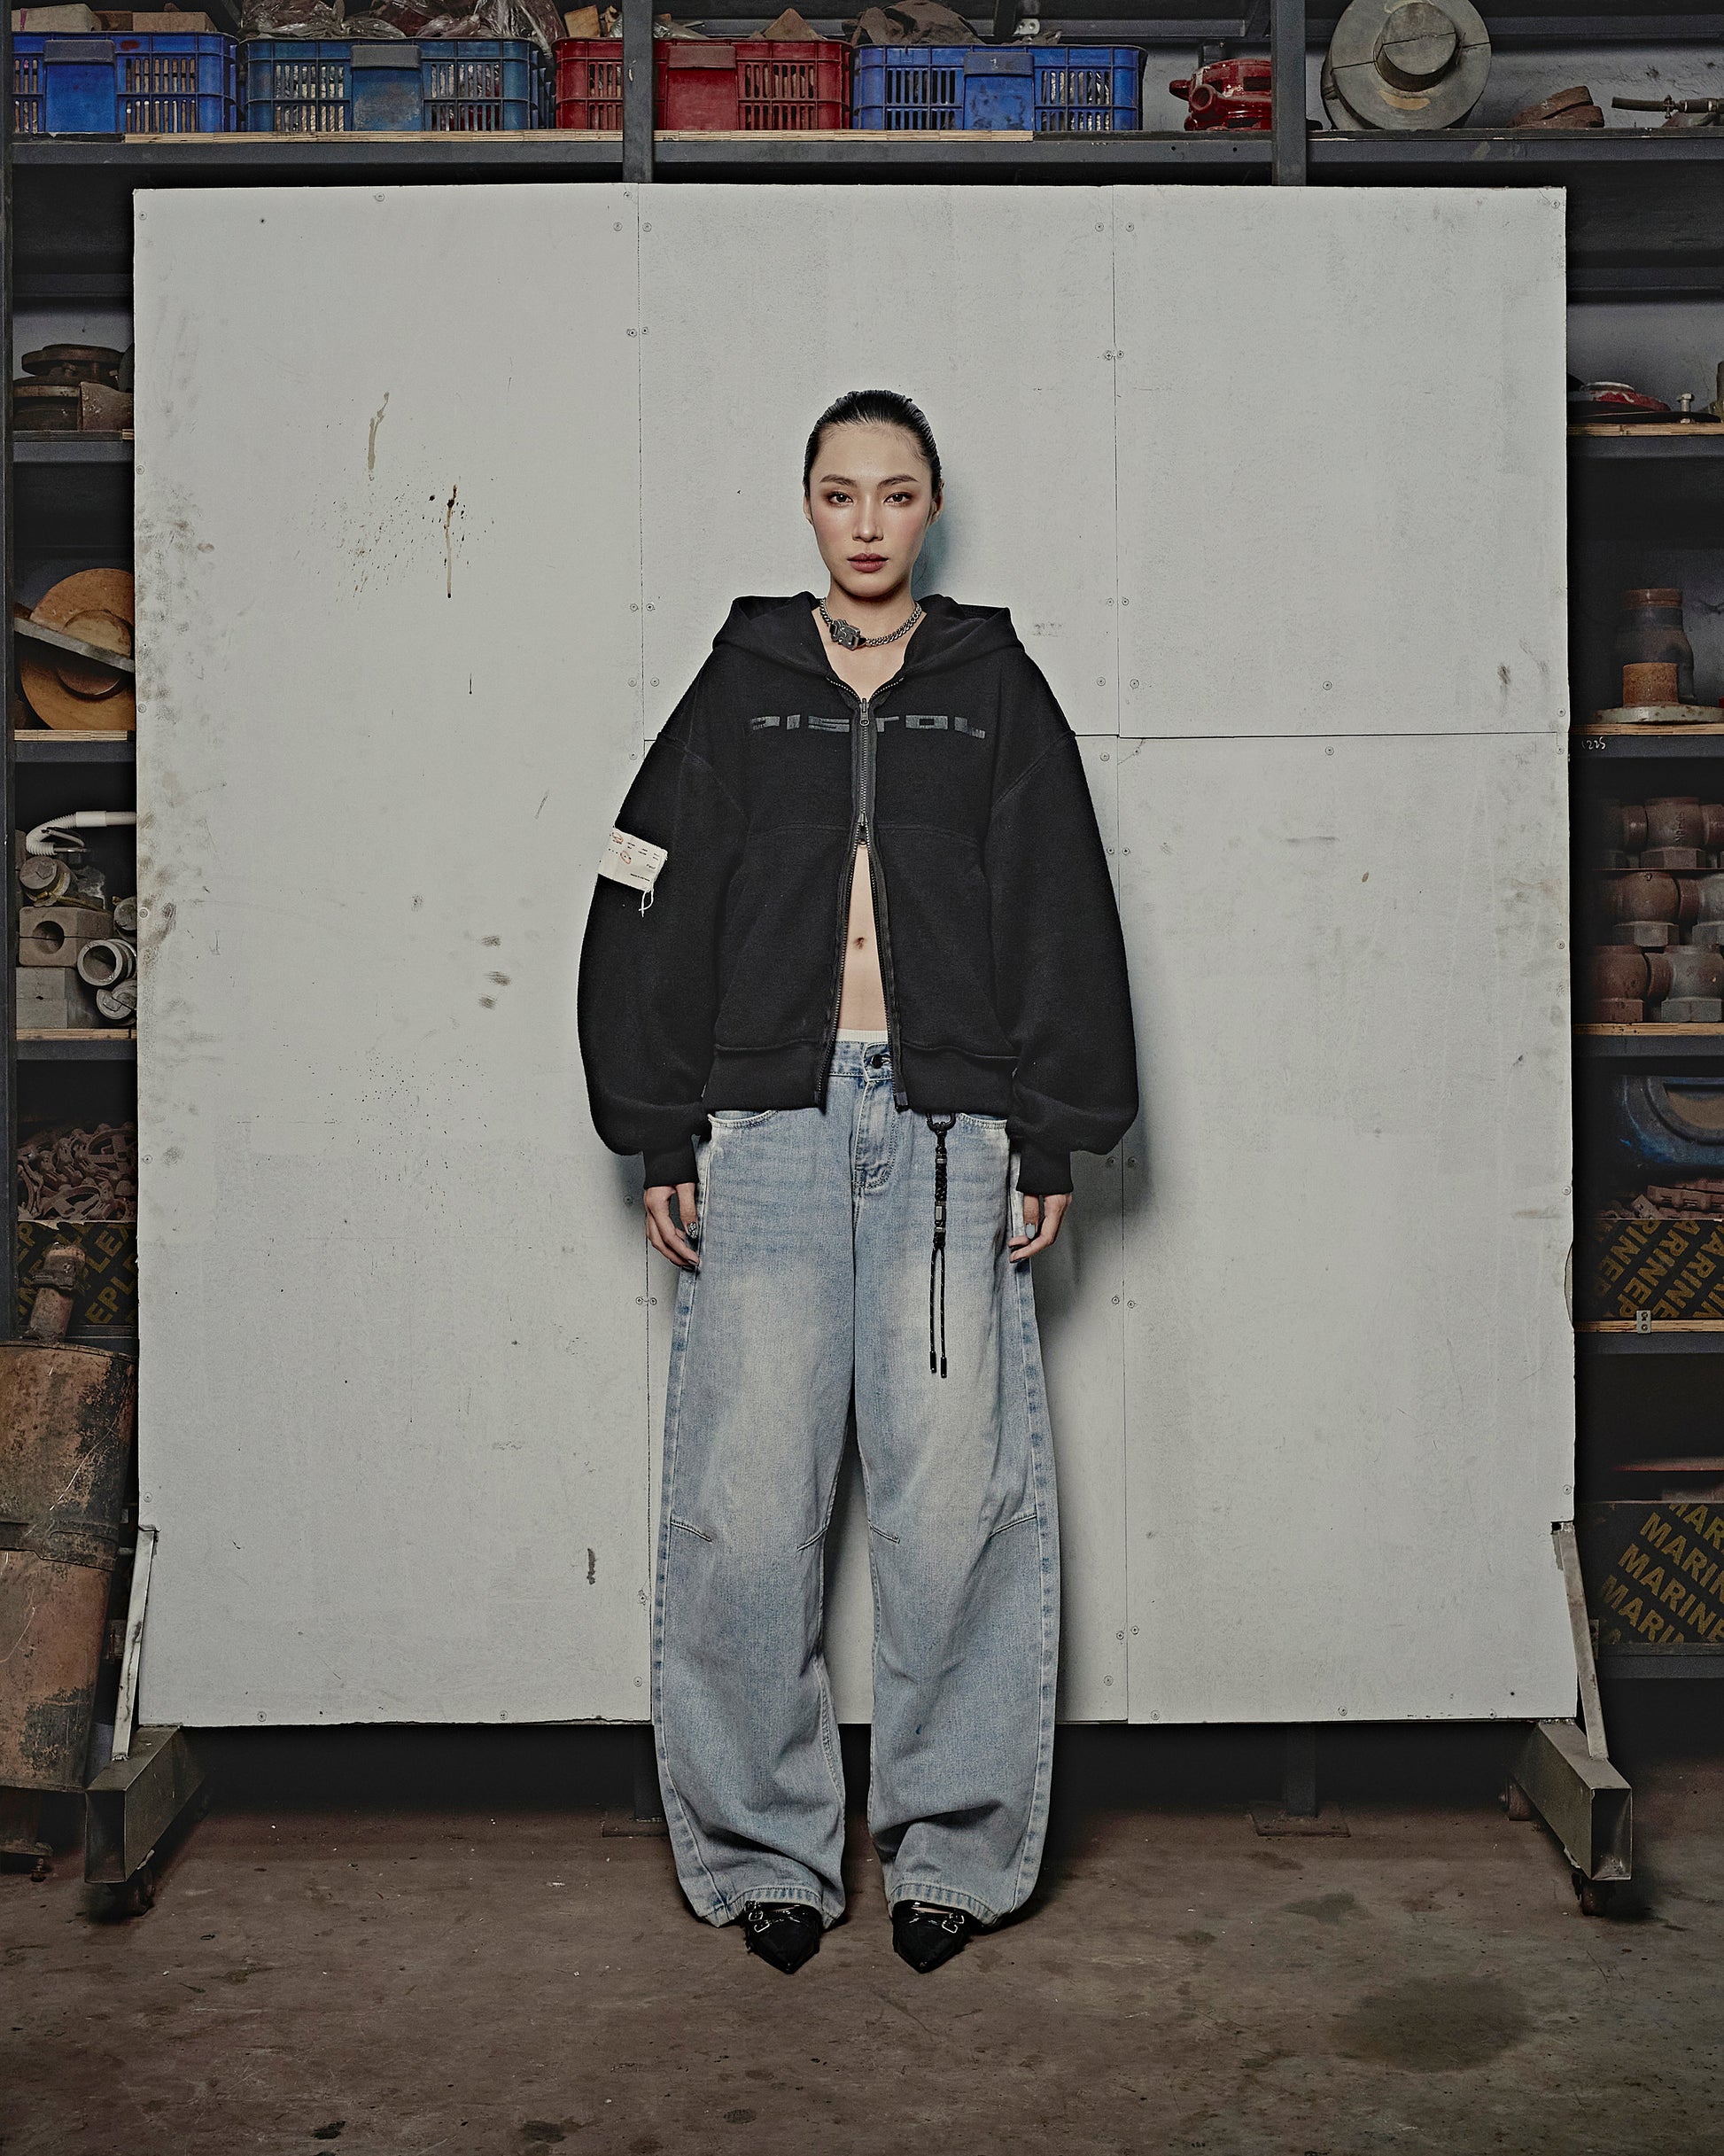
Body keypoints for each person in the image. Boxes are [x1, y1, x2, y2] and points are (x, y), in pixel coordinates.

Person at [577, 388, 1138, 1976]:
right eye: (840, 492)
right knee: (746, 1507)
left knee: (954, 1504)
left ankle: (951, 1846)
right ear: (808, 508)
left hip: (952, 1130)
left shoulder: (993, 689)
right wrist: (659, 1126)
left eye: (895, 492)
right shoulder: (742, 686)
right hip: (765, 1128)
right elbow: (641, 889)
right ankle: (766, 1851)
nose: (868, 521)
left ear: (932, 507)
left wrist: (1048, 1129)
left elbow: (1060, 902)